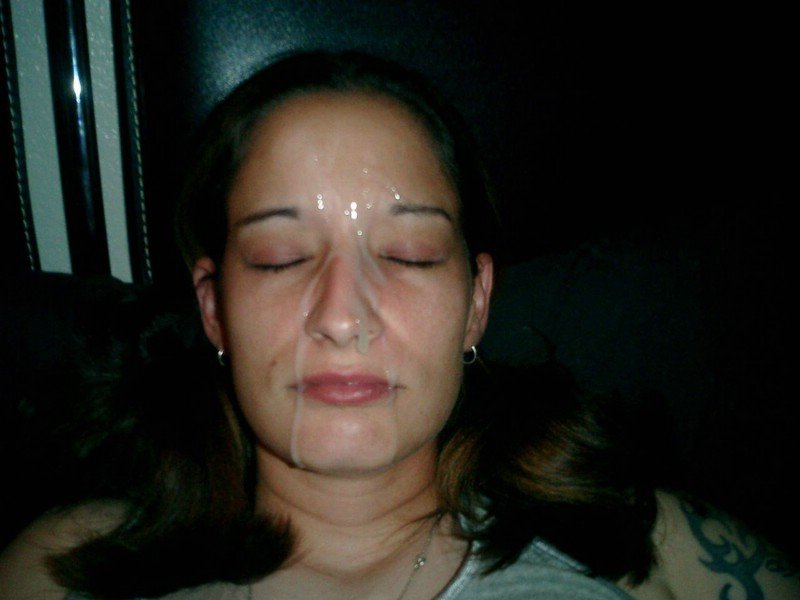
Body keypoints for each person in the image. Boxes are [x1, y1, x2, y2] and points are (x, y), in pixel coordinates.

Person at [1, 50, 797, 600]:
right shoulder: (64, 568)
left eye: (409, 254)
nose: (343, 317)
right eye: (280, 258)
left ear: (476, 302)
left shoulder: (647, 541)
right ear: (213, 308)